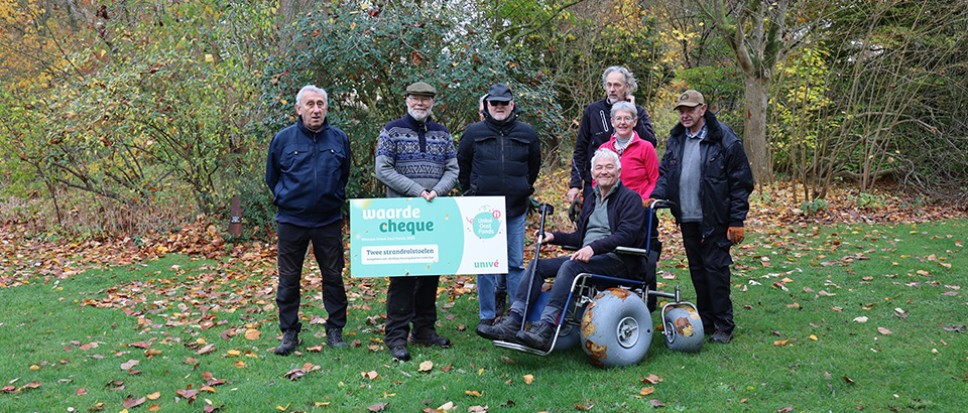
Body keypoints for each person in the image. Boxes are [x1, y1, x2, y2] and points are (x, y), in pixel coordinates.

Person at [478, 149, 647, 350]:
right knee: (537, 266)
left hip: (618, 260)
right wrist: (554, 237)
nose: (604, 172)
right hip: (588, 258)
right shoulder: (591, 198)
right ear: (592, 174)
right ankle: (513, 321)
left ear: (618, 171)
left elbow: (627, 235)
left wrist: (593, 248)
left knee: (570, 266)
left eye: (609, 167)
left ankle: (545, 327)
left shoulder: (630, 199)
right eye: (599, 168)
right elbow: (580, 237)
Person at [648, 90, 754, 344]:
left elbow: (741, 183)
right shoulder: (676, 139)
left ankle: (723, 324)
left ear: (703, 109)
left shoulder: (725, 140)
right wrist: (656, 195)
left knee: (716, 271)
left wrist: (736, 221)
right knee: (697, 270)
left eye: (690, 109)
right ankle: (705, 320)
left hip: (715, 218)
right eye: (681, 110)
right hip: (687, 217)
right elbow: (666, 173)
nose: (685, 115)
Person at [374, 82, 459, 361]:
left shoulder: (442, 133)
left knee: (430, 275)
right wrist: (416, 191)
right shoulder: (392, 130)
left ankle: (424, 329)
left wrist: (437, 191)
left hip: (434, 212)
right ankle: (396, 336)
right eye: (415, 98)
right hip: (402, 216)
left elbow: (452, 168)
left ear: (432, 103)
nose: (420, 103)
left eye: (426, 99)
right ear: (406, 100)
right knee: (403, 278)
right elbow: (382, 169)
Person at [265, 84, 352, 355]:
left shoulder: (339, 139)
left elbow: (344, 174)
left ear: (326, 108)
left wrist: (333, 197)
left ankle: (335, 328)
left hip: (328, 220)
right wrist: (285, 197)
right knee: (289, 279)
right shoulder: (283, 140)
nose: (316, 109)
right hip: (292, 221)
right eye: (310, 104)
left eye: (320, 104)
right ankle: (290, 332)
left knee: (333, 277)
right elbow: (272, 177)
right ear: (298, 109)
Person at [457, 83, 541, 332]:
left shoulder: (527, 133)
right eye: (494, 103)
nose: (499, 107)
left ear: (512, 105)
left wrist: (523, 186)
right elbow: (463, 165)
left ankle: (515, 314)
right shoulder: (473, 133)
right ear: (487, 105)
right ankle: (487, 315)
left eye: (504, 103)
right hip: (482, 211)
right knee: (484, 265)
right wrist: (472, 191)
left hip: (515, 208)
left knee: (515, 263)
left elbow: (534, 166)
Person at [598, 100, 661, 311]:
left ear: (635, 122)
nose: (622, 122)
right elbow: (595, 180)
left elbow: (654, 179)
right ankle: (606, 295)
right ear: (612, 122)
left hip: (639, 211)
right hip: (610, 210)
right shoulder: (604, 148)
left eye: (627, 118)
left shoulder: (646, 147)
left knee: (640, 257)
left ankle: (644, 301)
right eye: (618, 119)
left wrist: (642, 200)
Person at [567, 66, 657, 205]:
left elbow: (650, 142)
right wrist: (575, 184)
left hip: (631, 189)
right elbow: (580, 149)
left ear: (627, 87)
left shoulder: (638, 112)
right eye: (609, 85)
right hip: (596, 184)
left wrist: (632, 113)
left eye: (617, 85)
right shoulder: (593, 111)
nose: (612, 89)